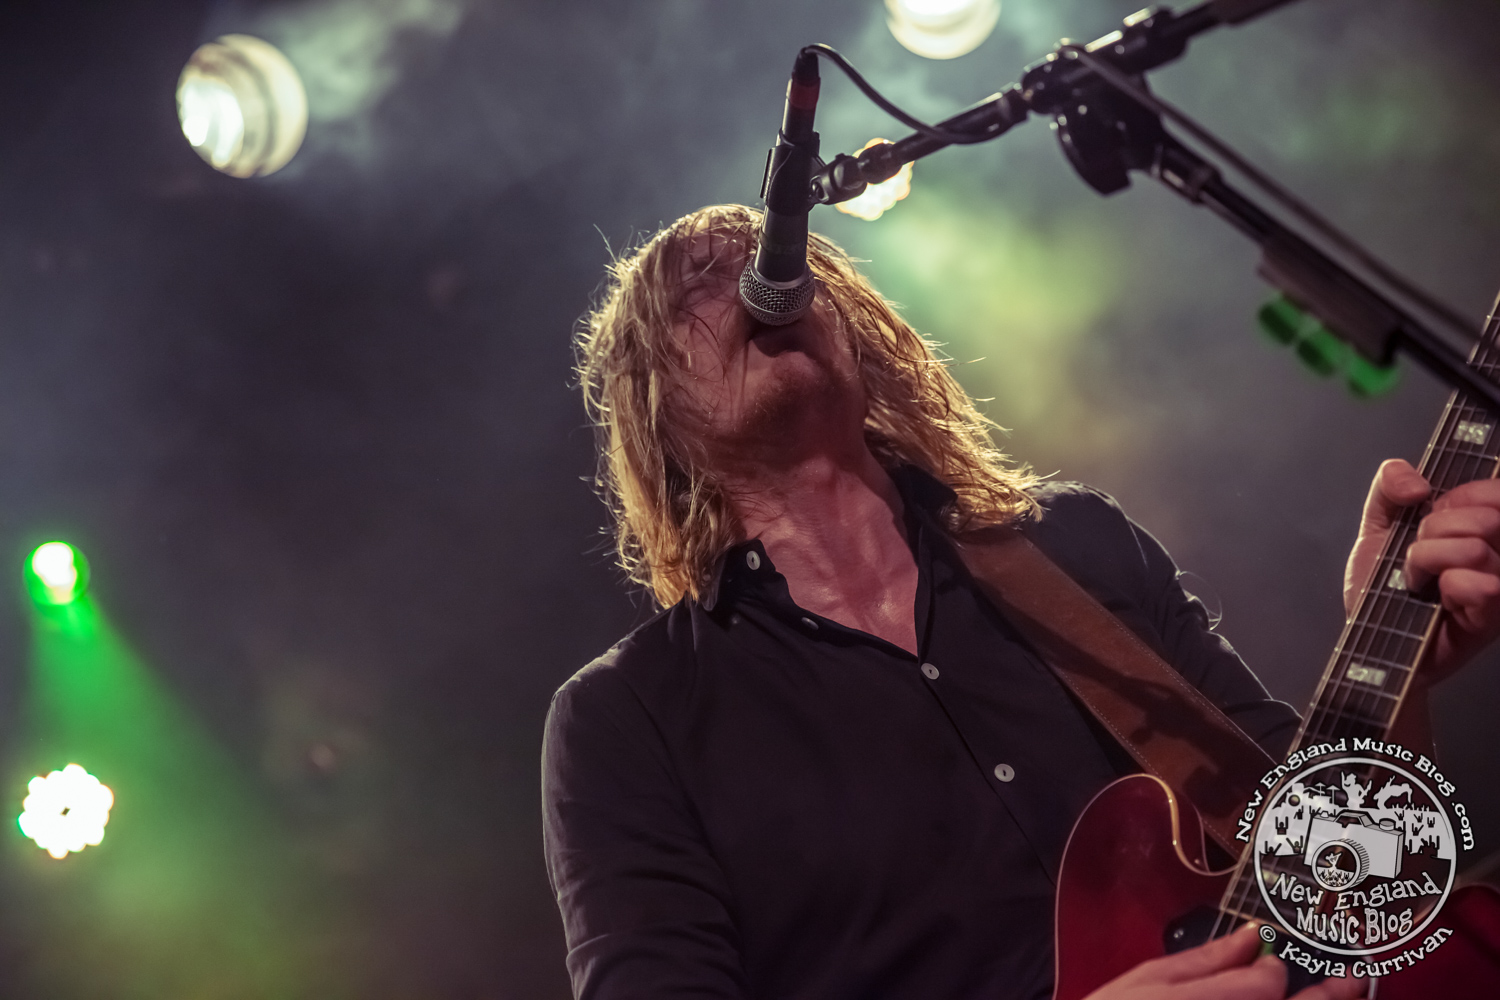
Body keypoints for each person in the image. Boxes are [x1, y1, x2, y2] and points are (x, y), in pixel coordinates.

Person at [542, 204, 1500, 1000]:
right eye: (695, 291)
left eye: (769, 264)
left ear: (855, 331)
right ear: (658, 412)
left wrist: (1399, 656)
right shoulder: (628, 716)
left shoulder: (1074, 545)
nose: (750, 282)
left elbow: (1349, 885)